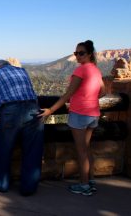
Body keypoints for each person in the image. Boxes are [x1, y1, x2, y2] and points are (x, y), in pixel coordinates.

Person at [39, 40, 105, 196]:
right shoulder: (95, 69)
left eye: (81, 53)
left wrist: (50, 110)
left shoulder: (81, 70)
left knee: (81, 151)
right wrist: (90, 98)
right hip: (93, 113)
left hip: (80, 114)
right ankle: (91, 181)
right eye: (76, 53)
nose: (77, 56)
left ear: (89, 54)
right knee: (87, 148)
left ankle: (84, 185)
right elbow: (103, 91)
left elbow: (67, 94)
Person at [0, 59, 44, 196]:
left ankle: (0, 185)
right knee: (33, 149)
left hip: (10, 112)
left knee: (4, 148)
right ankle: (29, 188)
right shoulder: (22, 71)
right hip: (33, 109)